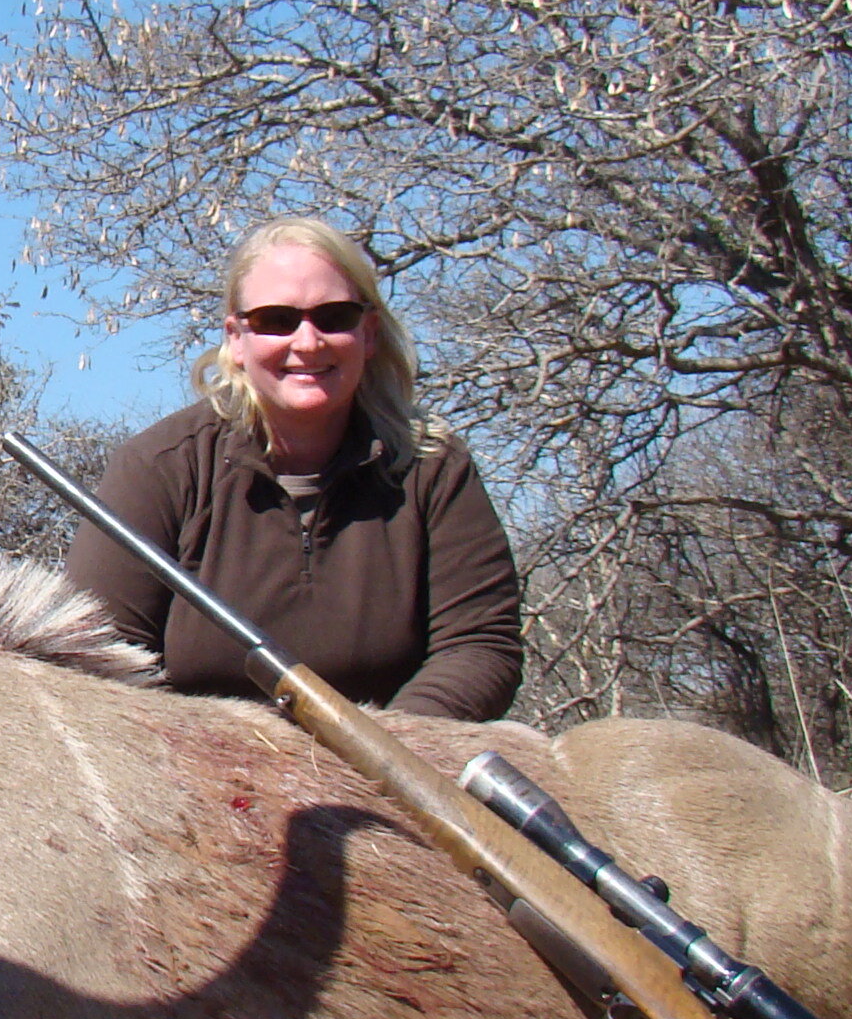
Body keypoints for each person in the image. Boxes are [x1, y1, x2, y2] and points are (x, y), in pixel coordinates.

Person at [60, 216, 523, 717]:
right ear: (236, 339)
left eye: (334, 317)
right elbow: (95, 665)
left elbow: (480, 645)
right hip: (194, 774)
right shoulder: (157, 468)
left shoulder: (434, 467)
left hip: (396, 778)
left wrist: (392, 755)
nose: (307, 342)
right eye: (276, 320)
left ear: (368, 333)